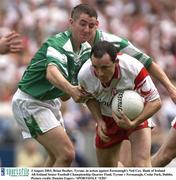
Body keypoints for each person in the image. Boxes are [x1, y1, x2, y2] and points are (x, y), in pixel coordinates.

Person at [12, 5, 97, 167]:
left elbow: (64, 96)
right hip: (30, 102)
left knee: (55, 156)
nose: (87, 29)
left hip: (50, 102)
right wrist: (72, 89)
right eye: (83, 23)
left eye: (91, 25)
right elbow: (51, 73)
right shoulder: (57, 43)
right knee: (66, 153)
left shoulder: (86, 50)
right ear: (71, 23)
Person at [78, 41, 161, 167]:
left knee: (142, 165)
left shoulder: (133, 68)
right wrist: (99, 120)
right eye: (95, 67)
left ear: (116, 62)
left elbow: (155, 101)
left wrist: (135, 122)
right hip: (106, 119)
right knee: (108, 170)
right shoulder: (84, 75)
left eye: (105, 68)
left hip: (136, 115)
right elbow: (88, 98)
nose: (100, 73)